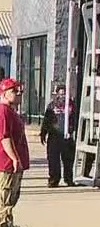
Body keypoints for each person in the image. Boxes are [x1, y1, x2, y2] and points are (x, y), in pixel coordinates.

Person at [0, 78, 28, 227]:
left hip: (15, 165)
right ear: (4, 94)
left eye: (19, 91)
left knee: (12, 199)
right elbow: (5, 138)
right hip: (7, 165)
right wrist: (14, 158)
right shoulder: (3, 111)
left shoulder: (12, 112)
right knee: (4, 202)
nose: (18, 94)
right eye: (14, 91)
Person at [40, 84, 76, 187]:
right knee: (53, 159)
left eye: (64, 94)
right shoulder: (52, 106)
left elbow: (76, 119)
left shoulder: (72, 105)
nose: (62, 97)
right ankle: (54, 179)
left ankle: (69, 179)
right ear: (57, 94)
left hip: (67, 136)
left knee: (68, 160)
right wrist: (43, 133)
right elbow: (46, 120)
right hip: (54, 136)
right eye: (60, 94)